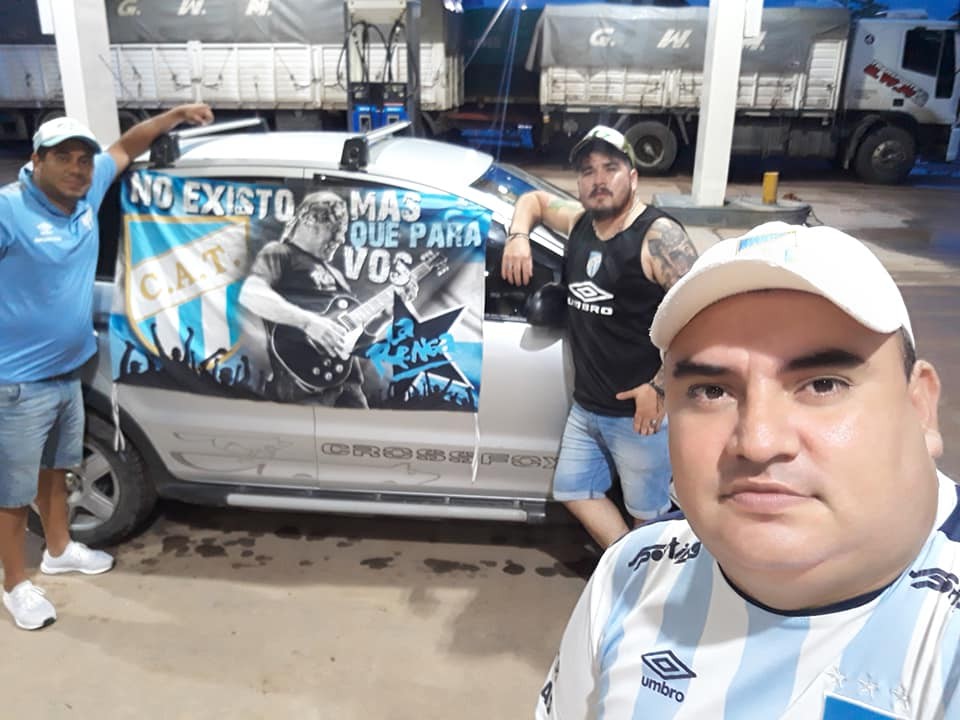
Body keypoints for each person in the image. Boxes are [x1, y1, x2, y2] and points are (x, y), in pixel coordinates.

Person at [535, 222, 960, 719]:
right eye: (712, 391)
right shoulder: (631, 573)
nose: (758, 442)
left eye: (823, 384)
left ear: (920, 407)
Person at [0, 103, 214, 631]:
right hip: (15, 382)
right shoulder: (8, 212)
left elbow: (125, 147)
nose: (77, 169)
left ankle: (59, 549)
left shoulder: (86, 193)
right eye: (64, 159)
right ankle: (14, 585)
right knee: (12, 493)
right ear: (37, 160)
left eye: (83, 159)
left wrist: (176, 115)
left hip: (67, 371)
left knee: (56, 471)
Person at [502, 125, 698, 548]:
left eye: (611, 167)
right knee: (574, 489)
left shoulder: (657, 237)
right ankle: (626, 566)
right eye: (588, 171)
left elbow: (701, 318)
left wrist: (659, 387)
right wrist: (518, 237)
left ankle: (649, 579)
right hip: (587, 408)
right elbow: (533, 200)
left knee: (649, 517)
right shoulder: (580, 224)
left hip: (638, 417)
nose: (598, 179)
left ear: (634, 177)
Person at [239, 191, 418, 407]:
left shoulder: (337, 276)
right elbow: (251, 293)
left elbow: (358, 339)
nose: (341, 239)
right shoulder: (280, 253)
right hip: (303, 385)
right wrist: (309, 323)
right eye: (335, 229)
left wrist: (388, 312)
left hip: (349, 384)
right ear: (309, 221)